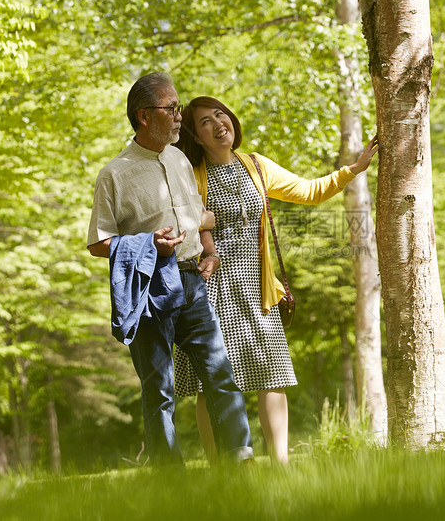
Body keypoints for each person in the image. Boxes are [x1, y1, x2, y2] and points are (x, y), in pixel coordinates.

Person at [173, 96, 377, 463]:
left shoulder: (256, 166)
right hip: (211, 289)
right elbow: (180, 222)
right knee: (210, 382)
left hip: (257, 287)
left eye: (220, 114)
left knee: (272, 374)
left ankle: (281, 466)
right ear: (197, 136)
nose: (218, 123)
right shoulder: (190, 174)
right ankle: (220, 466)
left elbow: (310, 191)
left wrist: (355, 168)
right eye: (205, 121)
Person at [86, 75, 253, 466]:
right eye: (171, 108)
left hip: (193, 281)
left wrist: (207, 251)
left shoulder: (179, 158)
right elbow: (98, 243)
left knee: (219, 374)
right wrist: (147, 244)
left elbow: (197, 218)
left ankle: (240, 461)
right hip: (148, 286)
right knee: (159, 388)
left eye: (178, 108)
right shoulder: (115, 174)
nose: (179, 117)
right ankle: (169, 476)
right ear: (144, 116)